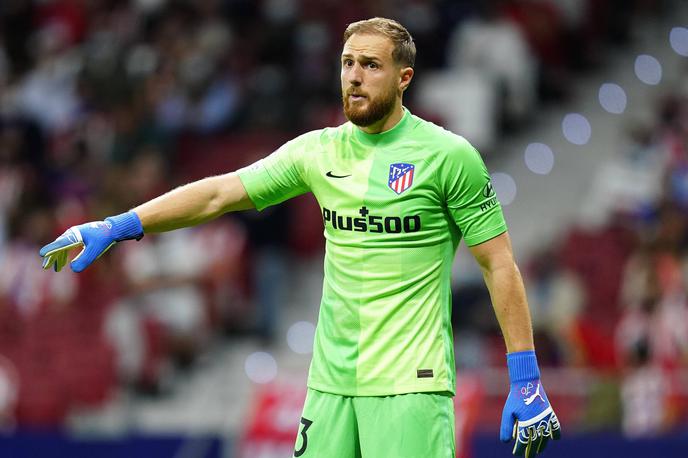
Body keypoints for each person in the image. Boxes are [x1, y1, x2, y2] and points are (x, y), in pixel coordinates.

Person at [39, 17, 560, 458]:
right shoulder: (318, 151)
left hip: (411, 385)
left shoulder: (449, 157)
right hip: (329, 385)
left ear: (404, 78)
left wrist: (525, 374)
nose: (354, 77)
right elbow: (221, 194)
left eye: (370, 66)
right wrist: (119, 225)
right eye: (347, 63)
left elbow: (498, 265)